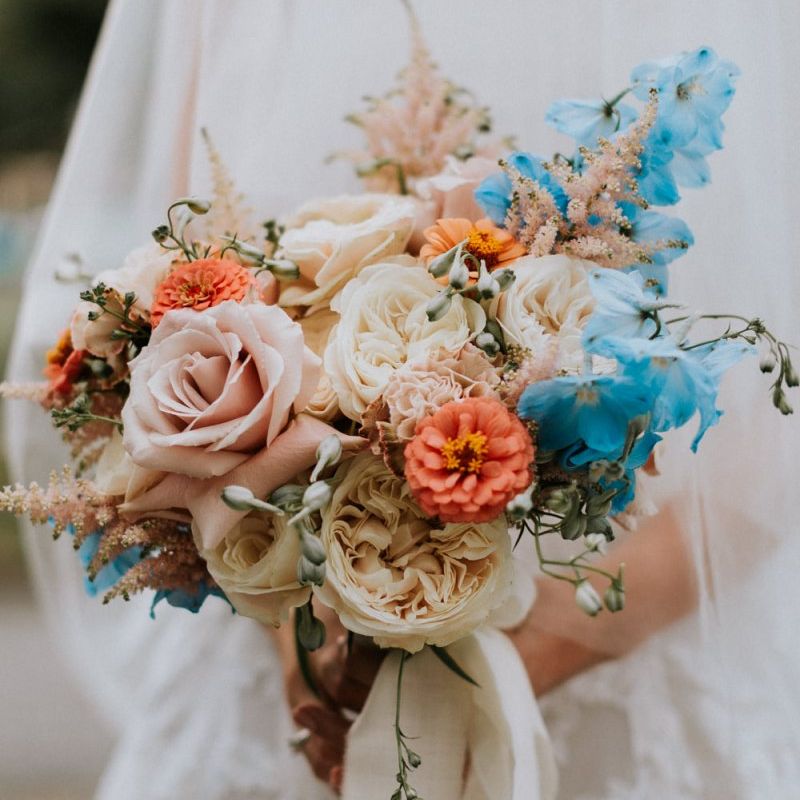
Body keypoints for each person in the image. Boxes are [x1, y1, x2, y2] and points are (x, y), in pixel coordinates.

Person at [7, 1, 800, 798]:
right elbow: (181, 295)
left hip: (636, 653)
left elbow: (777, 421)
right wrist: (299, 634)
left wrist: (511, 673)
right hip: (296, 670)